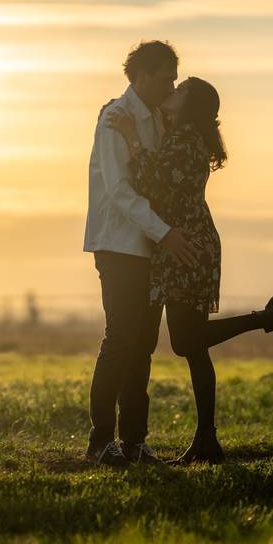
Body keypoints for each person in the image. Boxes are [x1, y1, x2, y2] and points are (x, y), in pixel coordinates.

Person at [105, 76, 273, 465]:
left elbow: (152, 181)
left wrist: (131, 137)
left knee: (187, 342)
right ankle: (206, 440)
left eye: (180, 89)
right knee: (195, 347)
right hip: (186, 244)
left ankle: (271, 316)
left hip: (186, 248)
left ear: (189, 105)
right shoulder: (180, 133)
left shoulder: (186, 138)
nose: (171, 90)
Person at [83, 40, 196, 467]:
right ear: (143, 75)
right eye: (167, 76)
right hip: (119, 244)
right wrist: (166, 233)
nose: (172, 84)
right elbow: (120, 191)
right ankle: (99, 441)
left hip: (150, 247)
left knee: (143, 344)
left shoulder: (157, 117)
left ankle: (135, 442)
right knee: (120, 341)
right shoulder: (116, 118)